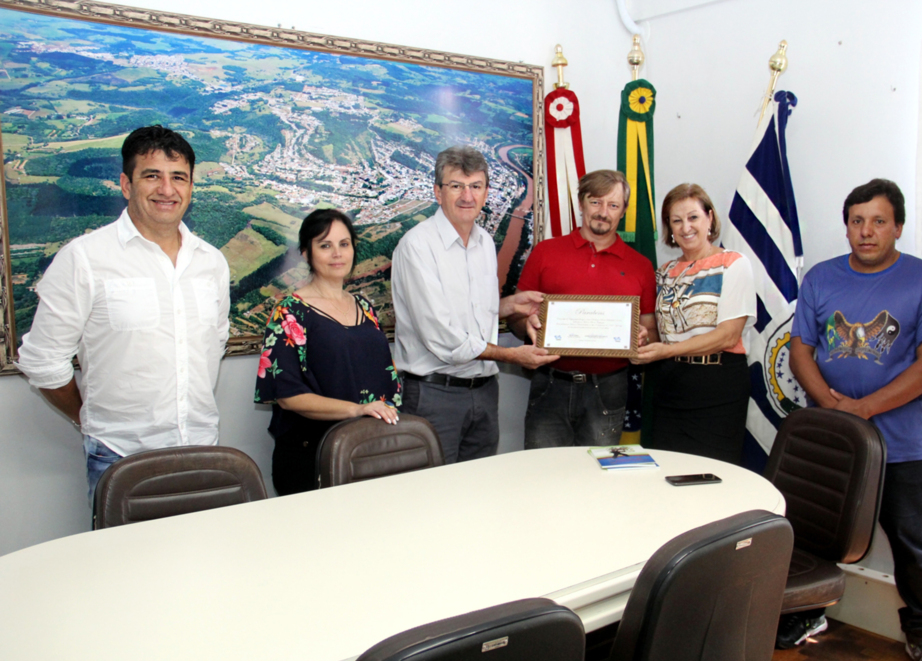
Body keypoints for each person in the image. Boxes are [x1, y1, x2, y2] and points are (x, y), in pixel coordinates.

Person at [786, 179, 922, 661]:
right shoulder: (820, 277)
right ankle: (803, 613)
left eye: (879, 221)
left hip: (899, 444)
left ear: (897, 226)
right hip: (832, 440)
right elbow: (800, 351)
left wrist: (865, 408)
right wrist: (832, 405)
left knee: (912, 542)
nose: (866, 231)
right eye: (857, 221)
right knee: (809, 535)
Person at [16, 125, 230, 503]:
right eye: (152, 176)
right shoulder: (84, 258)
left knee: (206, 558)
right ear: (126, 185)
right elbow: (43, 362)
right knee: (126, 564)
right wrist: (87, 418)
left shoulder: (211, 262)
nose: (167, 189)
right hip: (119, 458)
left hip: (203, 449)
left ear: (191, 187)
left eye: (178, 177)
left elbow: (216, 340)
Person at [391, 146, 557, 465]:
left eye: (475, 186)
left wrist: (509, 305)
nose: (467, 196)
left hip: (483, 391)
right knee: (435, 498)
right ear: (438, 192)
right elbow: (442, 337)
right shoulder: (417, 247)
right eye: (456, 186)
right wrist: (510, 355)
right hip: (434, 395)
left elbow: (473, 312)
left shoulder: (483, 243)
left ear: (486, 193)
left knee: (478, 495)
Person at [255, 209, 400, 495]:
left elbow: (385, 379)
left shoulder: (365, 307)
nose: (337, 254)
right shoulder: (289, 311)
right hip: (311, 455)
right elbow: (288, 396)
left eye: (344, 244)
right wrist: (357, 410)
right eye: (325, 245)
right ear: (307, 254)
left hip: (367, 449)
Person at [512, 169, 657, 448]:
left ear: (623, 211)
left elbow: (650, 330)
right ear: (581, 203)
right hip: (550, 383)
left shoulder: (641, 266)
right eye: (596, 202)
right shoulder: (546, 252)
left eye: (613, 205)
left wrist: (642, 338)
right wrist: (526, 324)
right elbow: (518, 315)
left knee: (598, 478)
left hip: (610, 388)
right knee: (543, 475)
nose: (603, 212)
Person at [630, 184, 755, 465]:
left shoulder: (733, 264)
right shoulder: (663, 274)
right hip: (670, 385)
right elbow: (661, 332)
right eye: (676, 220)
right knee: (667, 472)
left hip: (718, 386)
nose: (686, 227)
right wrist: (642, 339)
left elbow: (727, 336)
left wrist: (666, 350)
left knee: (712, 475)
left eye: (693, 217)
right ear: (669, 229)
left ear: (709, 218)